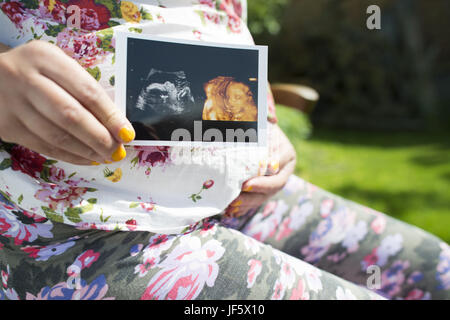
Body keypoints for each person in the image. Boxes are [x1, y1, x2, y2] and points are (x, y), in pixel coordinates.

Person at [0, 0, 448, 300]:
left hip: (241, 198)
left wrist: (264, 118)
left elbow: (214, 22)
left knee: (438, 272)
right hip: (70, 232)